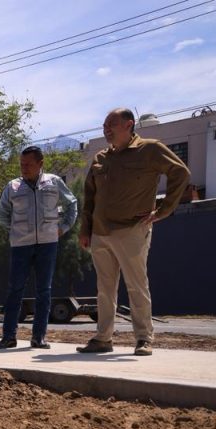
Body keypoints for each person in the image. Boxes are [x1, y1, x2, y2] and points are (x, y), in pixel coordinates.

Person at [77, 108, 190, 357]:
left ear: (129, 124)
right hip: (100, 232)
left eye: (111, 124)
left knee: (136, 286)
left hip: (132, 229)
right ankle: (103, 338)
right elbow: (90, 198)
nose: (106, 129)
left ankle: (143, 338)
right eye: (104, 125)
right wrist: (86, 230)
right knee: (104, 289)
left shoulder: (150, 149)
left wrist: (163, 210)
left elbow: (180, 173)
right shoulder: (100, 158)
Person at [0, 146, 79, 350]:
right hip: (20, 245)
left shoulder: (54, 182)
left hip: (48, 244)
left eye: (28, 164)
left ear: (40, 164)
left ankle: (39, 337)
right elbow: (2, 213)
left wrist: (63, 227)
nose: (24, 168)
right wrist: (16, 230)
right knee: (15, 290)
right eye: (21, 164)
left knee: (44, 290)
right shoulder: (13, 186)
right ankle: (8, 337)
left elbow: (72, 204)